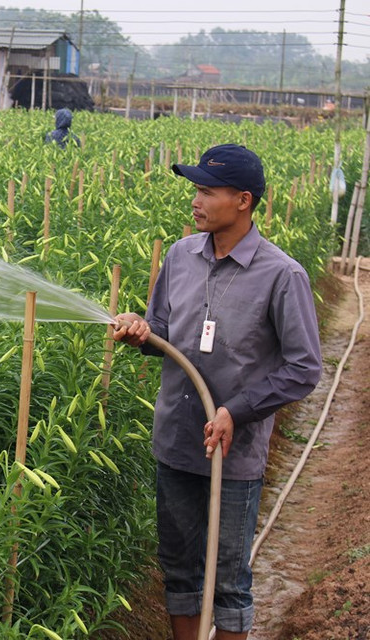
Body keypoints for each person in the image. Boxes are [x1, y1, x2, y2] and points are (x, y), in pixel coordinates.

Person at [113, 144, 322, 640]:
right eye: (196, 189)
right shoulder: (181, 256)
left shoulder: (282, 275)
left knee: (228, 581)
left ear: (243, 200)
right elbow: (163, 328)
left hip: (234, 451)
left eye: (207, 190)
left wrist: (237, 411)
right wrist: (142, 329)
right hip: (176, 441)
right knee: (180, 572)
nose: (196, 200)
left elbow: (305, 367)